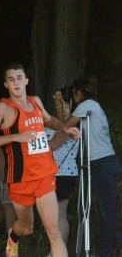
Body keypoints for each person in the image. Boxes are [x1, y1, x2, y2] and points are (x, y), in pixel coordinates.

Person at [0, 63, 81, 257]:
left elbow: (49, 120)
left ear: (26, 80)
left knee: (53, 231)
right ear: (6, 84)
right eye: (11, 79)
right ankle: (13, 237)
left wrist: (65, 128)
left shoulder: (35, 101)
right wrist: (16, 137)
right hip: (20, 178)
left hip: (44, 173)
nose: (16, 82)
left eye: (19, 78)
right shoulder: (3, 107)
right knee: (27, 228)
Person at [65, 74, 120, 257]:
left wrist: (62, 107)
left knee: (107, 212)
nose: (73, 97)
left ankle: (105, 253)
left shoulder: (86, 106)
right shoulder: (95, 106)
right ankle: (108, 250)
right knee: (108, 210)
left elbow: (65, 126)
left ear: (79, 92)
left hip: (101, 162)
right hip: (107, 161)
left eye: (74, 93)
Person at [44, 87, 79, 257]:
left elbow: (53, 144)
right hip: (50, 173)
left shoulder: (71, 123)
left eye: (63, 101)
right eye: (57, 101)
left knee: (59, 214)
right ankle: (56, 250)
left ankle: (57, 252)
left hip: (64, 173)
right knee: (53, 216)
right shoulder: (58, 123)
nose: (60, 105)